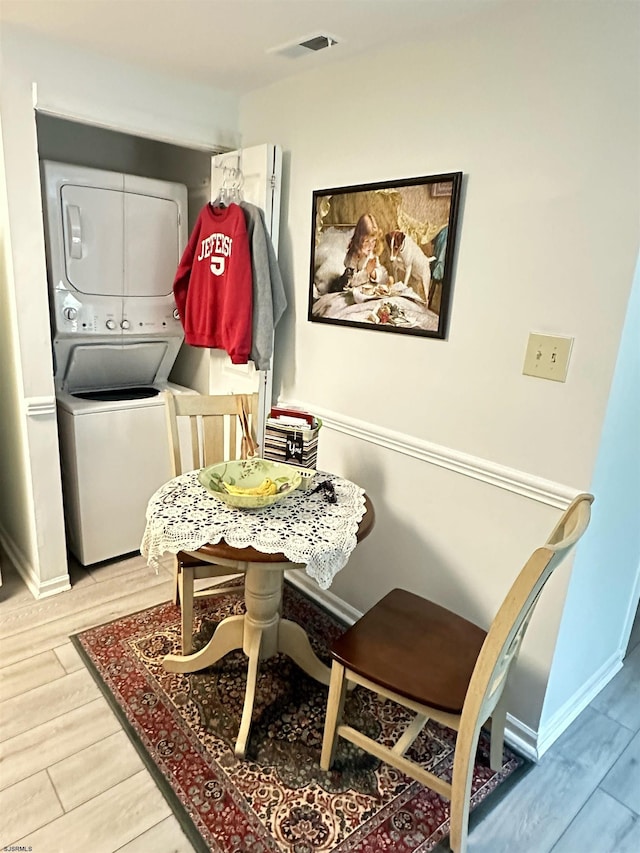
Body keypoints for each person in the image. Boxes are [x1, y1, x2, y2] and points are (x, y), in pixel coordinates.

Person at [341, 213, 388, 289]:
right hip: (354, 290)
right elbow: (351, 281)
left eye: (374, 241)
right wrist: (367, 271)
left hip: (368, 289)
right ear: (359, 240)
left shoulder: (372, 253)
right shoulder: (353, 255)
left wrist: (373, 273)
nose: (371, 246)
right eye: (367, 241)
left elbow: (378, 270)